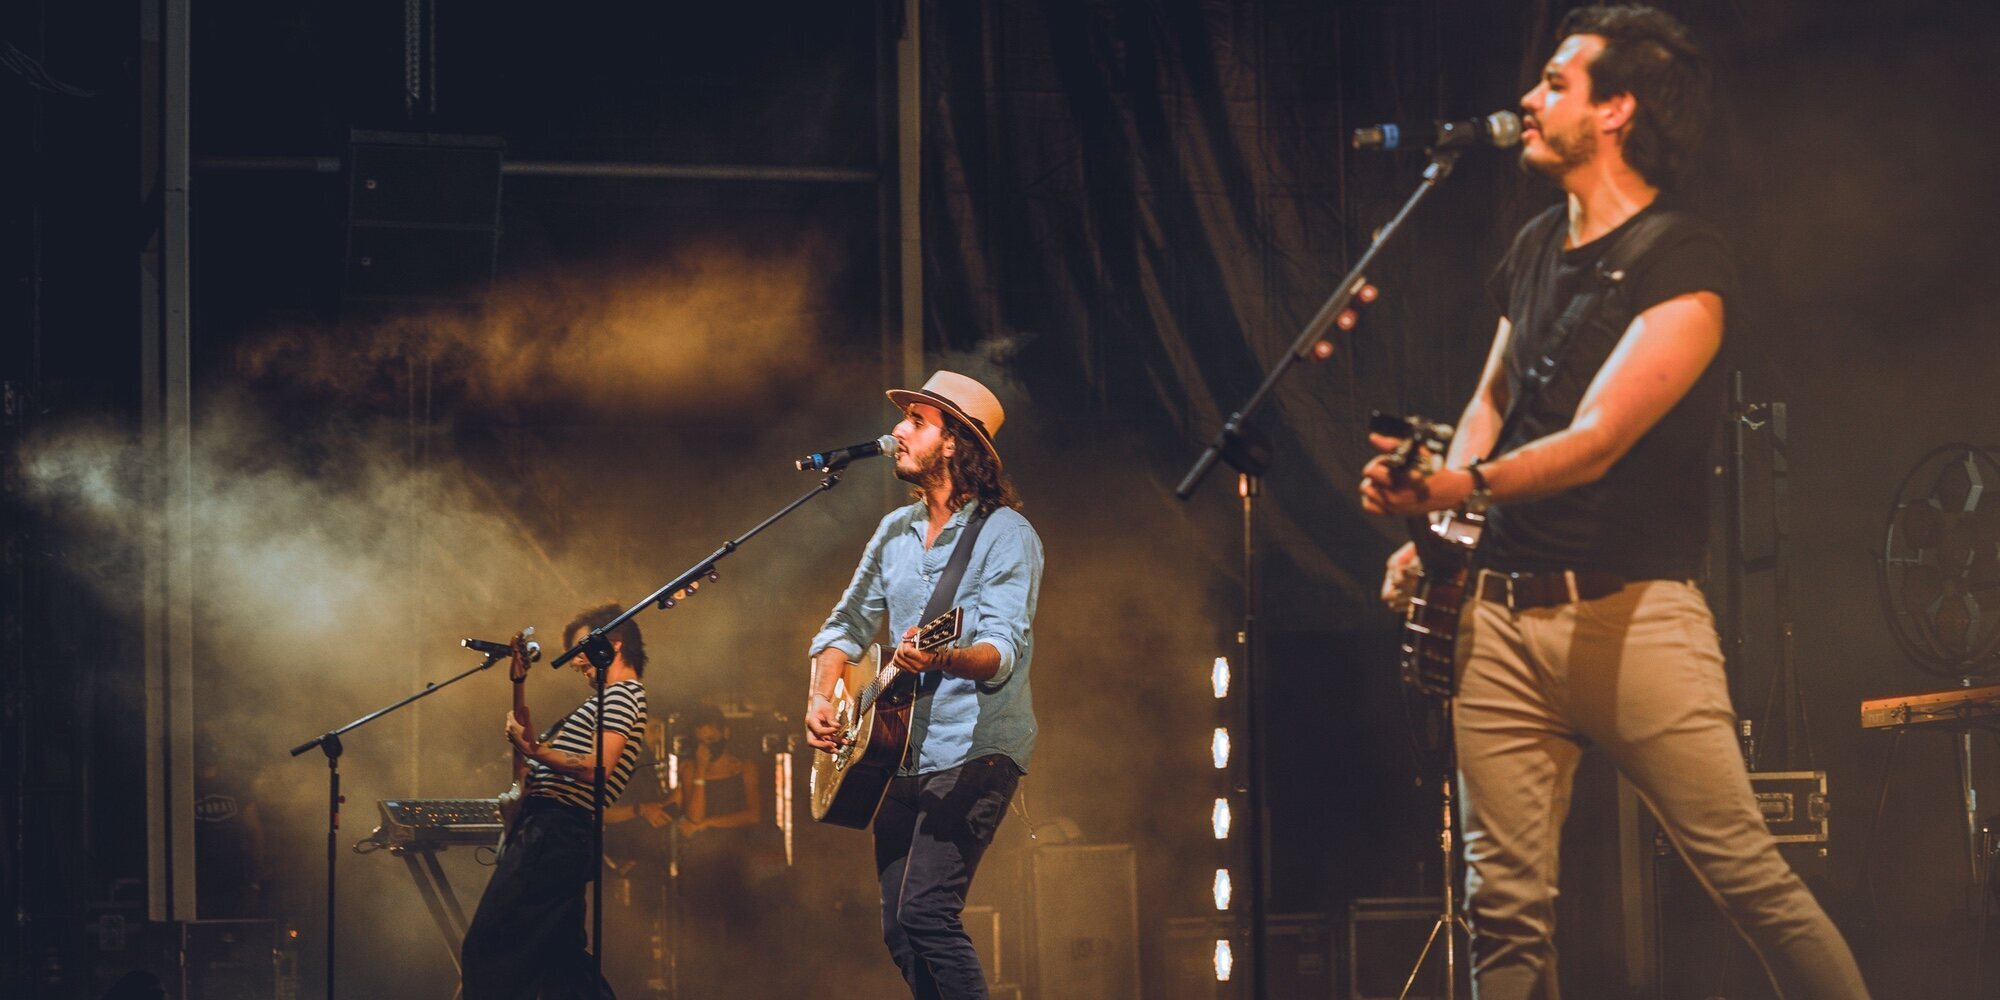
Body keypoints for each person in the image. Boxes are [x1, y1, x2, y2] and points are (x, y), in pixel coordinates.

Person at [1359, 7, 1870, 998]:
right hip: (1499, 623)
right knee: (1500, 920)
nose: (1527, 99)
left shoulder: (1685, 262)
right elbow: (1490, 403)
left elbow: (1595, 442)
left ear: (1616, 110)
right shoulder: (1535, 245)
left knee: (1748, 879)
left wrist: (1454, 484)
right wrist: (1438, 530)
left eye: (1555, 82)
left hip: (1634, 621)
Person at [805, 370, 1043, 1000]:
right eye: (903, 419)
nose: (897, 432)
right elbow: (844, 626)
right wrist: (820, 695)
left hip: (976, 750)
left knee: (926, 915)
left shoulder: (1006, 535)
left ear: (953, 443)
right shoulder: (893, 533)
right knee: (899, 932)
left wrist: (942, 659)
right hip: (901, 753)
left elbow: (1000, 653)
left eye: (916, 422)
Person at [461, 604, 649, 1000]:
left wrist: (533, 749)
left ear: (613, 646)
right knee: (560, 962)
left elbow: (597, 768)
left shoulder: (623, 695)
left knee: (488, 945)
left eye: (582, 648)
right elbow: (528, 761)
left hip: (554, 833)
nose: (576, 660)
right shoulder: (602, 702)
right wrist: (519, 684)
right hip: (554, 833)